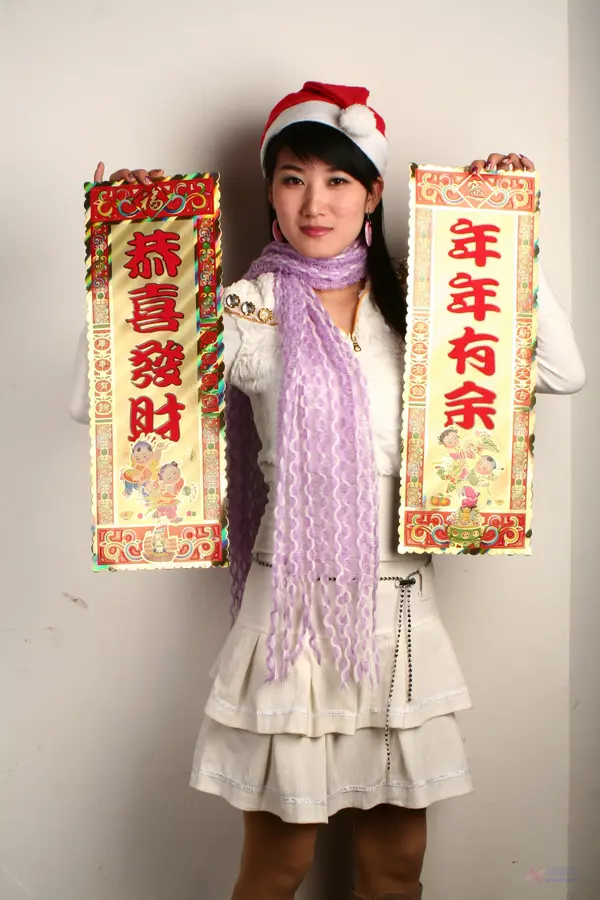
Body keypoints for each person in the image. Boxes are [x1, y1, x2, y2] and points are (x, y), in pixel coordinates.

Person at [70, 81, 586, 900]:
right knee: (278, 866)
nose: (316, 203)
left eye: (338, 180)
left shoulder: (426, 298)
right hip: (292, 615)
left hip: (399, 610)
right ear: (271, 193)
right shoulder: (248, 309)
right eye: (294, 178)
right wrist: (132, 250)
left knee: (395, 870)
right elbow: (98, 402)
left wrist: (507, 237)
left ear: (372, 193)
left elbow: (562, 371)